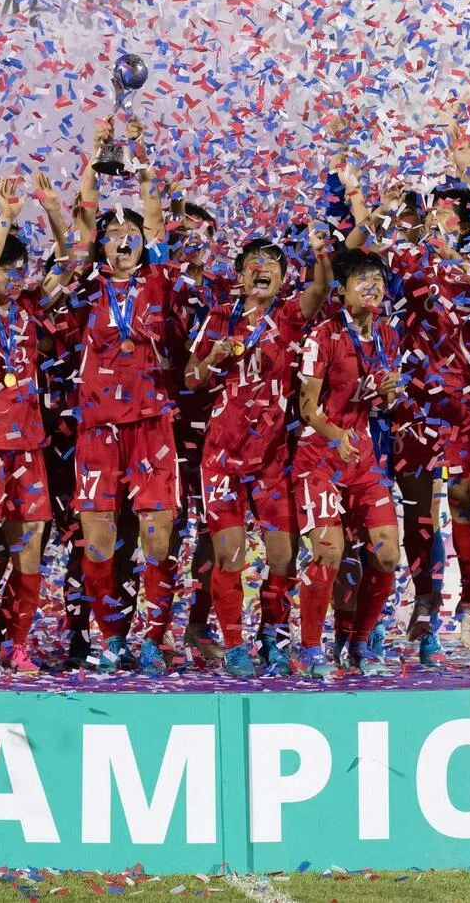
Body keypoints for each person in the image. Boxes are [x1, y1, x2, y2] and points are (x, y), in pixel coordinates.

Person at [347, 178, 470, 665]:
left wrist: (459, 252)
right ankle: (427, 603)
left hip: (462, 404)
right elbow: (355, 261)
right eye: (434, 209)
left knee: (463, 500)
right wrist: (369, 206)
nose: (437, 216)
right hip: (411, 403)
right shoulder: (403, 262)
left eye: (450, 211)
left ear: (468, 222)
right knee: (418, 506)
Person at [187, 227, 332, 678]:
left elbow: (322, 287)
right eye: (253, 261)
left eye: (272, 263)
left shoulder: (291, 315)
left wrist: (322, 252)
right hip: (223, 457)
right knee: (229, 553)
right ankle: (233, 645)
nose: (262, 268)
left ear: (285, 276)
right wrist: (213, 356)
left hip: (272, 458)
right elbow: (192, 378)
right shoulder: (218, 318)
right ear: (239, 274)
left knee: (282, 556)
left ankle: (272, 635)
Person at [69, 115, 185, 674]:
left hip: (150, 425)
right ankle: (110, 636)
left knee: (157, 538)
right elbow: (83, 216)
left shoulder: (158, 281)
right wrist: (96, 154)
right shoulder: (82, 286)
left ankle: (151, 639)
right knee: (97, 541)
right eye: (113, 237)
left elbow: (156, 212)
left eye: (131, 236)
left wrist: (137, 149)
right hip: (96, 430)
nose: (122, 241)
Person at [0, 173, 75, 674]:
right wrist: (4, 217)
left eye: (19, 267)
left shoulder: (29, 307)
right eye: (5, 267)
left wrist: (48, 206)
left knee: (29, 554)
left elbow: (70, 260)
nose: (14, 275)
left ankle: (16, 644)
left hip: (30, 449)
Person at [293, 249, 402, 676]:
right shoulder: (322, 336)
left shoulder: (388, 337)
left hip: (361, 457)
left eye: (377, 280)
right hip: (319, 456)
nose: (372, 287)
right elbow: (306, 407)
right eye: (363, 280)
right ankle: (307, 647)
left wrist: (389, 392)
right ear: (342, 291)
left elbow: (382, 403)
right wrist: (336, 435)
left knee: (388, 554)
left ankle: (358, 643)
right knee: (329, 554)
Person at [167, 195, 233, 665]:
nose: (191, 242)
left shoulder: (226, 291)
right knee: (163, 525)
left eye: (200, 235)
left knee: (214, 524)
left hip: (217, 423)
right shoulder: (153, 284)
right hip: (161, 421)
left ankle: (197, 623)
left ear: (212, 243)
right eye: (181, 233)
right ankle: (156, 628)